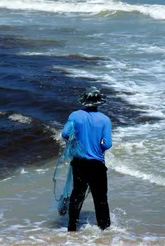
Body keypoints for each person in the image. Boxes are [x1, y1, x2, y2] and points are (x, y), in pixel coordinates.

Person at [61, 87, 112, 232]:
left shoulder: (75, 116)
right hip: (97, 165)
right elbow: (107, 144)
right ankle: (104, 228)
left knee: (77, 194)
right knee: (100, 197)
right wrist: (98, 145)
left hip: (79, 163)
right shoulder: (105, 119)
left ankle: (71, 227)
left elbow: (65, 134)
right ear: (99, 102)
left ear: (83, 101)